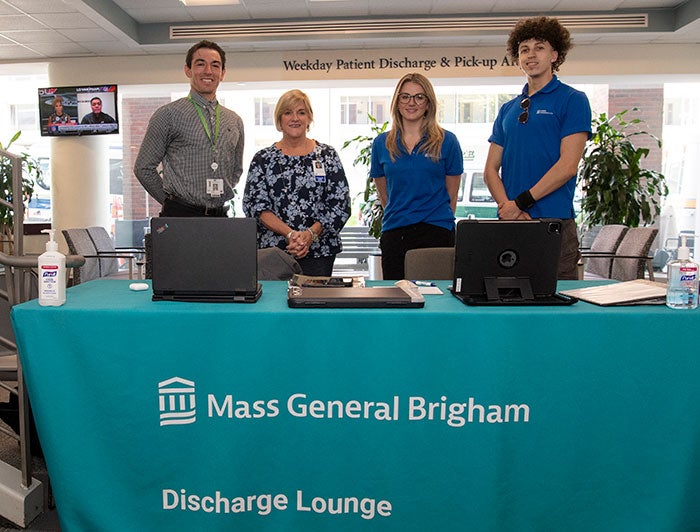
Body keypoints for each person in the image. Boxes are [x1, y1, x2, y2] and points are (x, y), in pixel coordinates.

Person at [484, 16, 592, 279]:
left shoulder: (573, 100)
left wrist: (520, 203)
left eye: (539, 47)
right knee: (507, 302)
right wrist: (507, 208)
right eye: (524, 49)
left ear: (555, 54)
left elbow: (567, 166)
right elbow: (490, 170)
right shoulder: (508, 109)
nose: (531, 55)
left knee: (557, 310)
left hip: (552, 223)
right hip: (510, 224)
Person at [243, 89, 351, 277]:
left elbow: (340, 205)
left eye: (301, 112)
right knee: (273, 305)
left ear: (309, 118)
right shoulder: (263, 159)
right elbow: (256, 207)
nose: (295, 118)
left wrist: (310, 234)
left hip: (320, 252)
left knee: (315, 304)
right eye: (288, 112)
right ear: (279, 119)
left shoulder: (327, 155)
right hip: (274, 253)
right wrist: (291, 235)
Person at [369, 72, 463, 280]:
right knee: (397, 301)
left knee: (437, 301)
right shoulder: (381, 144)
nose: (412, 103)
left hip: (437, 231)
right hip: (396, 232)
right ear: (397, 102)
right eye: (405, 96)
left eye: (419, 97)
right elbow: (384, 195)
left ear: (428, 103)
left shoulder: (447, 141)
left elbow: (452, 195)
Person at [134, 40, 244, 217]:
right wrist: (171, 202)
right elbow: (143, 168)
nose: (208, 71)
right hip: (180, 216)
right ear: (188, 70)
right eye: (200, 64)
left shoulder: (234, 120)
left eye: (215, 65)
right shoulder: (168, 115)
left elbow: (236, 170)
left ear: (222, 73)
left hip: (220, 217)